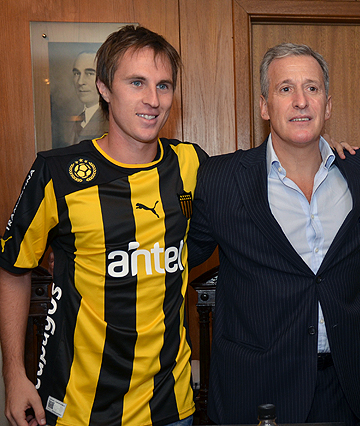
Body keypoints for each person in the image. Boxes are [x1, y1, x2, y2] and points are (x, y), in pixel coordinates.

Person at [0, 25, 207, 426]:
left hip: (170, 406)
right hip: (78, 407)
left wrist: (321, 148)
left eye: (164, 86)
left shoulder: (191, 164)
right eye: (137, 83)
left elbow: (257, 180)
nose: (153, 99)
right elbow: (12, 269)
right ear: (104, 89)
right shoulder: (56, 171)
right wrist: (13, 374)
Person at [188, 43, 360, 426]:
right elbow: (178, 257)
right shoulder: (221, 180)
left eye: (312, 88)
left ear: (327, 106)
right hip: (257, 391)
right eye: (285, 89)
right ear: (265, 106)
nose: (300, 101)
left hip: (348, 388)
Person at [65, 50, 108, 147]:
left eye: (89, 73)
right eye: (77, 74)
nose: (80, 82)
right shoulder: (78, 120)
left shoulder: (110, 120)